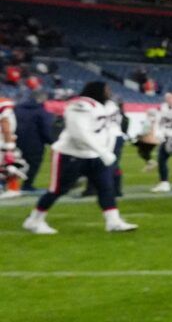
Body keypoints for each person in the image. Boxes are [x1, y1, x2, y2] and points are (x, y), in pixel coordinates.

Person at [22, 81, 137, 234]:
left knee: (106, 187)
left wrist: (106, 151)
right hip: (71, 154)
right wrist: (103, 152)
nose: (109, 92)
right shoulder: (80, 105)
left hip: (95, 154)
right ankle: (34, 220)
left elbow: (110, 130)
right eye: (106, 89)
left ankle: (113, 222)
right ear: (96, 90)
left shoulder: (108, 106)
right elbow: (79, 133)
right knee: (57, 189)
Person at [12, 90, 55, 191]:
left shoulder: (17, 109)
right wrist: (51, 141)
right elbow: (46, 129)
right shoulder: (41, 111)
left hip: (16, 141)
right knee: (34, 164)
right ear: (41, 98)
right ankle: (27, 185)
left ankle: (8, 185)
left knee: (14, 163)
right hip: (35, 143)